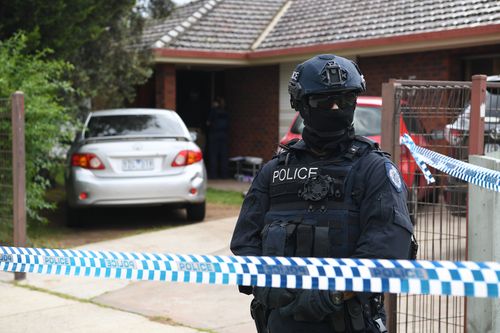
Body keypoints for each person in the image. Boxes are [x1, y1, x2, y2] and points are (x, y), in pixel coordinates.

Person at [230, 54, 414, 333]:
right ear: (301, 106)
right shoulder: (274, 172)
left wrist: (333, 294)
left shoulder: (373, 169)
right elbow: (246, 243)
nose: (337, 107)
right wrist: (264, 284)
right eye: (324, 101)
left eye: (346, 99)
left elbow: (388, 251)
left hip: (348, 323)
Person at [206, 97, 229, 179]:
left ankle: (213, 175)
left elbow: (208, 123)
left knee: (213, 155)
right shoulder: (225, 111)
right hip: (224, 135)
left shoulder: (213, 111)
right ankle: (224, 175)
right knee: (223, 155)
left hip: (214, 135)